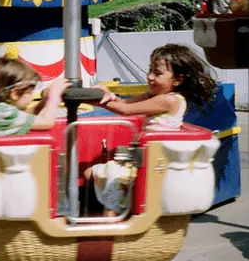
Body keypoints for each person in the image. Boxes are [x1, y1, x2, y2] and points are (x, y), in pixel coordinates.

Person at [85, 43, 217, 217]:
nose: (150, 77)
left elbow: (124, 111)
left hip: (156, 162)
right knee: (89, 173)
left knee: (114, 183)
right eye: (150, 70)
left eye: (158, 73)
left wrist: (99, 101)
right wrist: (107, 93)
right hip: (142, 157)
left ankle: (112, 224)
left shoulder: (170, 100)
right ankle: (97, 215)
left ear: (177, 80)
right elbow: (124, 103)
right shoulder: (154, 95)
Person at [0, 57, 72, 136]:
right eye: (29, 93)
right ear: (15, 93)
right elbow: (47, 122)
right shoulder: (8, 114)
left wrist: (44, 101)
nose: (32, 97)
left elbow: (26, 116)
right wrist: (54, 95)